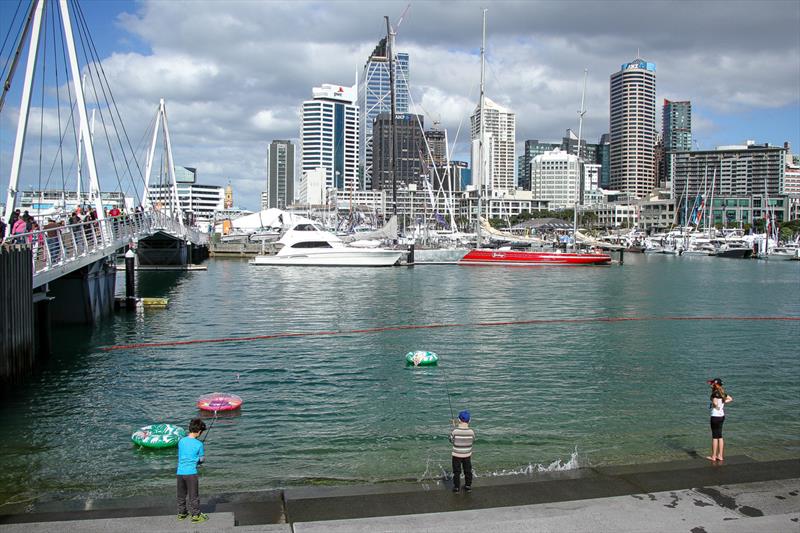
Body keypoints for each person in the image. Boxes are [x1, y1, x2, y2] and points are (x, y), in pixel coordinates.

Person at [176, 418, 208, 523]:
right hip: (191, 474)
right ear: (199, 431)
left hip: (180, 473)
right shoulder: (199, 444)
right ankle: (196, 515)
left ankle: (182, 513)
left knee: (181, 495)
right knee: (193, 496)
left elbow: (184, 454)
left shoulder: (181, 441)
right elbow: (202, 459)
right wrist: (198, 460)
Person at [707, 378, 733, 462]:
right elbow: (730, 399)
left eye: (712, 384)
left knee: (715, 437)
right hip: (722, 416)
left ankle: (714, 456)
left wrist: (714, 405)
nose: (711, 385)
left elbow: (715, 402)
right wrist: (723, 402)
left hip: (715, 416)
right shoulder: (722, 393)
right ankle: (720, 456)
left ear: (715, 385)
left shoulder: (714, 393)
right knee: (720, 436)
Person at [450, 409, 475, 493]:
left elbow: (451, 440)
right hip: (467, 455)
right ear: (469, 420)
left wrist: (454, 428)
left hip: (456, 454)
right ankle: (468, 486)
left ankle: (456, 487)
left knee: (456, 471)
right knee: (467, 470)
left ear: (459, 420)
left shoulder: (455, 431)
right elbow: (473, 440)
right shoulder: (471, 432)